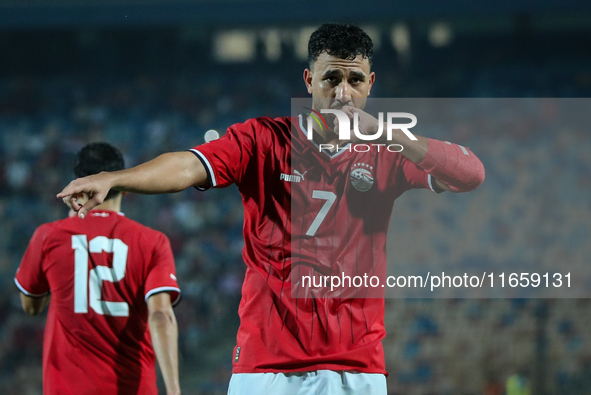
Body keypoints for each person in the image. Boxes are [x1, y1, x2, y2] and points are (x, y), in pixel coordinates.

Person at [58, 24, 485, 395]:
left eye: (354, 79)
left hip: (357, 365)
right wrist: (117, 178)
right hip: (267, 363)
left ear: (371, 83)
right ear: (308, 80)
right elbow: (189, 164)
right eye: (330, 77)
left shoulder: (388, 152)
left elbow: (471, 174)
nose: (342, 92)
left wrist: (390, 133)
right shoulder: (264, 140)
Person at [17, 142, 182, 395]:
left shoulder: (49, 237)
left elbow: (31, 306)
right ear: (125, 188)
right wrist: (173, 390)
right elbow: (160, 315)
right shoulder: (152, 241)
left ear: (77, 186)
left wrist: (73, 221)